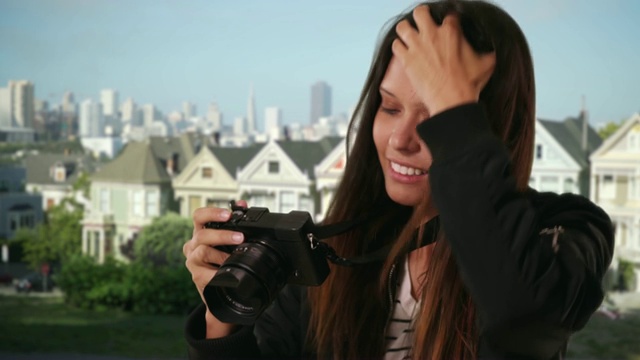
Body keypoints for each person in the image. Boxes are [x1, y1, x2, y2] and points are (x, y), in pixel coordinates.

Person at [183, 0, 614, 359]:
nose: (401, 140)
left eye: (436, 116)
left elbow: (525, 318)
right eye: (389, 109)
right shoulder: (334, 254)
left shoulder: (566, 228)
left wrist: (456, 116)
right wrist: (223, 320)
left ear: (486, 125)